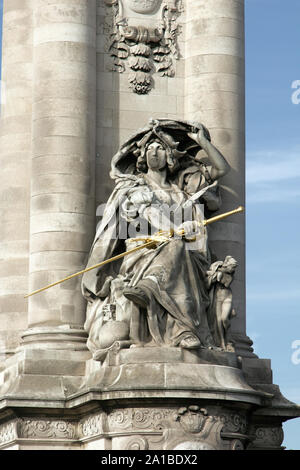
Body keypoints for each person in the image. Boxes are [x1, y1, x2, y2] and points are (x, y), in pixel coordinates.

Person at [82, 119, 230, 357]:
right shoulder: (134, 188)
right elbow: (144, 218)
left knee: (178, 247)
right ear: (141, 156)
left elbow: (222, 170)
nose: (154, 151)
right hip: (142, 252)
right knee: (175, 244)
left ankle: (153, 293)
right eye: (149, 148)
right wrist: (176, 230)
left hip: (185, 252)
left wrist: (203, 142)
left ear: (170, 155)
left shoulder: (182, 188)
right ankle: (181, 327)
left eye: (160, 147)